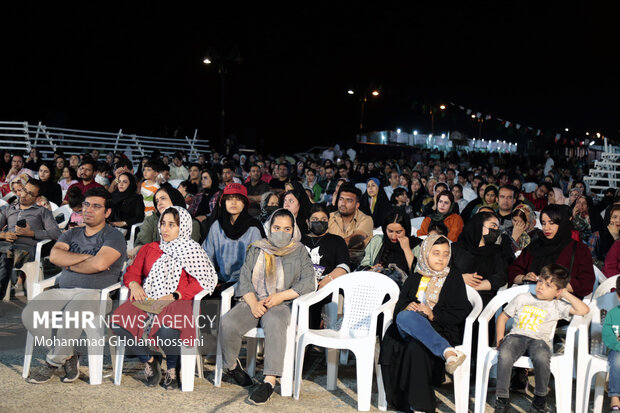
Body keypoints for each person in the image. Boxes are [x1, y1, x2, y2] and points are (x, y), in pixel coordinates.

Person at [21, 187, 127, 383]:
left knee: (73, 313)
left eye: (96, 206)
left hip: (97, 295)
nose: (88, 209)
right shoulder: (71, 234)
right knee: (30, 314)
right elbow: (55, 256)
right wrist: (87, 259)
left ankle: (52, 363)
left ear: (107, 212)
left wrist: (69, 262)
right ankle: (69, 355)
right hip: (64, 290)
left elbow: (100, 264)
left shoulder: (114, 237)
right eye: (86, 204)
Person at [111, 206, 218, 389]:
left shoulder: (192, 251)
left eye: (171, 225)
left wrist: (176, 294)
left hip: (180, 302)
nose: (165, 229)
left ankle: (172, 369)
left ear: (182, 227)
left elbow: (203, 281)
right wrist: (134, 284)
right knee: (117, 323)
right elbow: (133, 272)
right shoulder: (149, 248)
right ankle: (150, 359)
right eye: (163, 224)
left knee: (168, 328)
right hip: (149, 299)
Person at [218, 208, 315, 405]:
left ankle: (269, 381)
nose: (281, 232)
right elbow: (244, 277)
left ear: (293, 229)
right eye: (277, 227)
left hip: (281, 303)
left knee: (274, 321)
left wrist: (281, 296)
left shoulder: (299, 251)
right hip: (253, 299)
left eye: (287, 229)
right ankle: (232, 367)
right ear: (269, 227)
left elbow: (309, 282)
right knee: (227, 323)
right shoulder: (257, 248)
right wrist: (253, 303)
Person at [380, 234, 472, 413]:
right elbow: (400, 305)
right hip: (408, 327)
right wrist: (408, 306)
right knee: (405, 317)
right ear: (425, 253)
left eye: (446, 254)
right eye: (436, 253)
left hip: (437, 327)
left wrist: (433, 314)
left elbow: (461, 309)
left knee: (416, 349)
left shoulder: (453, 277)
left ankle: (419, 407)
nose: (441, 258)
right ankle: (447, 351)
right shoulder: (416, 276)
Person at [494, 264, 589, 413]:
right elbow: (502, 318)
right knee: (505, 354)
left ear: (557, 291)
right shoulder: (522, 298)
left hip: (539, 341)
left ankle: (539, 401)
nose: (541, 287)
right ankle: (502, 400)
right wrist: (500, 339)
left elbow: (584, 310)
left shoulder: (557, 305)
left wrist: (564, 294)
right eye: (540, 281)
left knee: (542, 357)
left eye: (548, 285)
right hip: (517, 336)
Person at [508, 204, 595, 300]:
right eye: (544, 223)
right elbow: (513, 270)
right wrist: (524, 278)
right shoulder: (535, 245)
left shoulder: (579, 249)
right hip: (531, 300)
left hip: (562, 303)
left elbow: (586, 283)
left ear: (562, 223)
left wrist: (555, 285)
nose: (546, 228)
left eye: (551, 223)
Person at [0, 178, 62, 298]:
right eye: (24, 190)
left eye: (30, 194)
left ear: (37, 198)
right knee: (5, 253)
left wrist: (32, 233)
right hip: (6, 244)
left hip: (26, 248)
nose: (24, 195)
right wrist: (4, 235)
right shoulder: (9, 209)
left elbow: (56, 233)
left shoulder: (42, 212)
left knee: (5, 255)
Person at [202, 183, 265, 287]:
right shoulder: (217, 226)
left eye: (238, 199)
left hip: (246, 282)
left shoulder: (253, 228)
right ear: (224, 202)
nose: (233, 202)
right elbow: (207, 255)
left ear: (245, 203)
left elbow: (255, 262)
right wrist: (212, 279)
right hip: (218, 280)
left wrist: (231, 282)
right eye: (229, 199)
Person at [301, 203, 351, 328]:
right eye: (315, 220)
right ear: (307, 222)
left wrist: (327, 280)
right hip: (302, 285)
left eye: (323, 220)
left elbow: (343, 266)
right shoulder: (300, 240)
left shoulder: (337, 240)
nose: (319, 222)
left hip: (327, 286)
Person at [451, 212, 512, 306]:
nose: (496, 231)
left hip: (481, 297)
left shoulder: (497, 252)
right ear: (479, 226)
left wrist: (475, 287)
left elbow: (501, 277)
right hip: (454, 291)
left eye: (497, 228)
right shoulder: (456, 248)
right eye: (493, 226)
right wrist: (459, 279)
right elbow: (443, 271)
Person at [131, 186, 201, 259]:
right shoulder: (151, 220)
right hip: (151, 260)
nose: (159, 203)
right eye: (157, 201)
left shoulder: (191, 223)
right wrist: (138, 248)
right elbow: (142, 243)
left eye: (163, 198)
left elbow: (187, 252)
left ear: (174, 199)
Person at [327, 184, 374, 267]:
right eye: (341, 199)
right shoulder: (329, 217)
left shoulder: (366, 219)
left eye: (348, 200)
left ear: (357, 205)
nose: (343, 203)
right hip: (330, 261)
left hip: (355, 265)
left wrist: (330, 248)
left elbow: (356, 238)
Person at [108, 172, 145, 238]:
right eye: (119, 181)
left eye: (125, 182)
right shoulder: (113, 196)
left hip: (127, 229)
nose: (121, 184)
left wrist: (124, 223)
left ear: (131, 184)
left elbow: (140, 217)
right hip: (110, 227)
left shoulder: (137, 198)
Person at [602, 277, 620, 411]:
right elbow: (607, 336)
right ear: (619, 297)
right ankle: (615, 396)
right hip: (617, 349)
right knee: (617, 360)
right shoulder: (613, 314)